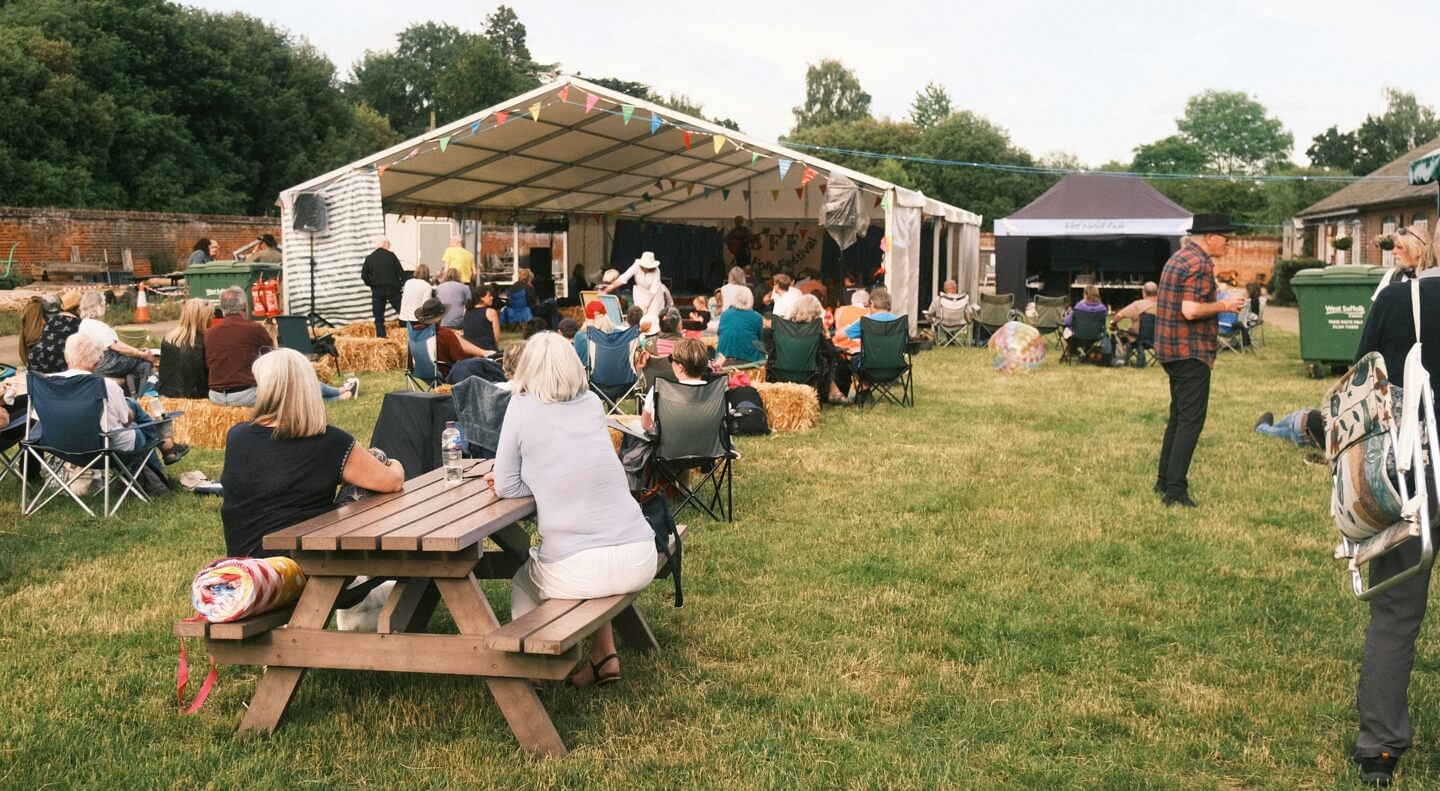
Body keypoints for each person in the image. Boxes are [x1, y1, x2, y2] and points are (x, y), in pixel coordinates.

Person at [486, 332, 658, 688]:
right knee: (588, 570)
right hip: (640, 555)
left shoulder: (521, 406)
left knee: (523, 580)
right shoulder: (592, 403)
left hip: (579, 567)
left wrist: (540, 483)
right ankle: (604, 656)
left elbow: (505, 486)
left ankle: (534, 668)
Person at [1346, 224, 1440, 787]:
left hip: (1412, 470)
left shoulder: (1397, 297)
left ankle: (1379, 748)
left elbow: (1360, 382)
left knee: (1396, 614)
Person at [220, 348, 403, 558]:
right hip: (301, 564)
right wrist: (394, 462)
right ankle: (377, 572)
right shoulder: (332, 442)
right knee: (377, 457)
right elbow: (393, 482)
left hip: (245, 563)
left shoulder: (237, 436)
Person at [1153, 214, 1245, 509]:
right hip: (1190, 351)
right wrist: (1225, 305)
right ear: (1210, 237)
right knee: (1191, 421)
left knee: (1179, 418)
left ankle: (1164, 481)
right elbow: (1191, 311)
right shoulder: (1199, 263)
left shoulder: (1179, 258)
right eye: (1226, 238)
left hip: (1171, 350)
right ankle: (1175, 492)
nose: (1228, 244)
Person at [59, 333, 188, 479]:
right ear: (98, 360)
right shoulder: (106, 385)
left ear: (66, 356)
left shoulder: (46, 383)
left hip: (60, 447)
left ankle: (162, 464)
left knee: (131, 409)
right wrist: (130, 413)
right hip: (102, 449)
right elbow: (126, 421)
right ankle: (161, 469)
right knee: (137, 424)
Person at [208, 286, 356, 406]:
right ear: (245, 306)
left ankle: (341, 391)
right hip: (246, 394)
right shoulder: (254, 329)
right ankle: (340, 393)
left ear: (222, 308)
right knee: (294, 387)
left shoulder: (210, 333)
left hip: (216, 396)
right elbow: (275, 362)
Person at [77, 291, 155, 396]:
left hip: (94, 362)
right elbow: (116, 346)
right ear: (99, 305)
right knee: (145, 362)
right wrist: (140, 353)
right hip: (107, 363)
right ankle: (145, 396)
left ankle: (131, 394)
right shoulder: (98, 325)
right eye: (104, 304)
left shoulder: (84, 324)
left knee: (139, 364)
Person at [787, 293, 850, 404]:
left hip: (786, 369)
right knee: (828, 359)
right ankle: (833, 391)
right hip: (810, 372)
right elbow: (831, 352)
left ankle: (834, 391)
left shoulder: (786, 328)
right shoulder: (816, 331)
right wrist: (827, 335)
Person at [412, 298, 493, 381]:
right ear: (440, 317)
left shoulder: (415, 332)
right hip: (448, 374)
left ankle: (485, 353)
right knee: (485, 365)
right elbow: (460, 358)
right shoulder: (445, 333)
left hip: (422, 372)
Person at [640, 338, 710, 432]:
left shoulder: (658, 391)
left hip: (667, 446)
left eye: (671, 359)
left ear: (680, 367)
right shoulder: (717, 392)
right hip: (707, 446)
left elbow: (646, 425)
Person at [158, 299, 212, 399]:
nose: (212, 319)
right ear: (203, 319)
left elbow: (164, 375)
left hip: (169, 395)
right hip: (198, 398)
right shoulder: (206, 341)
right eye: (210, 316)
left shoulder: (168, 339)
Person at [27, 291, 83, 374]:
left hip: (35, 356)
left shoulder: (52, 319)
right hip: (58, 359)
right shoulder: (79, 323)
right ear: (78, 308)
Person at [361, 238, 405, 338]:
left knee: (379, 317)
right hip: (393, 290)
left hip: (377, 291)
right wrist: (402, 284)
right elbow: (400, 272)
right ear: (384, 243)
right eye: (389, 243)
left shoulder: (369, 258)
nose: (389, 246)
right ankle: (405, 333)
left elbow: (364, 276)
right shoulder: (391, 256)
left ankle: (381, 338)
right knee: (403, 312)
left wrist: (371, 284)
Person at [603, 251, 668, 316]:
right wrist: (610, 287)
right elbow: (624, 277)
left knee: (653, 315)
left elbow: (653, 289)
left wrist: (647, 305)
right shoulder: (636, 265)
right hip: (640, 293)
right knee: (639, 315)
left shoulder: (657, 270)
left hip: (654, 296)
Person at [716, 287, 765, 365]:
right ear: (751, 299)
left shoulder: (725, 314)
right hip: (748, 357)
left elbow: (719, 333)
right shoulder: (757, 317)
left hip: (723, 356)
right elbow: (760, 338)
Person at [1253, 408, 1323, 449]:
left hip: (1304, 417)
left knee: (1279, 429)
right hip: (1302, 431)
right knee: (1276, 431)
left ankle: (1262, 427)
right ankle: (1261, 428)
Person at [462, 284, 502, 353]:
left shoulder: (466, 311)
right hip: (487, 349)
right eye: (489, 296)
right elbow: (496, 337)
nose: (492, 298)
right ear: (481, 298)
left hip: (471, 350)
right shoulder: (491, 312)